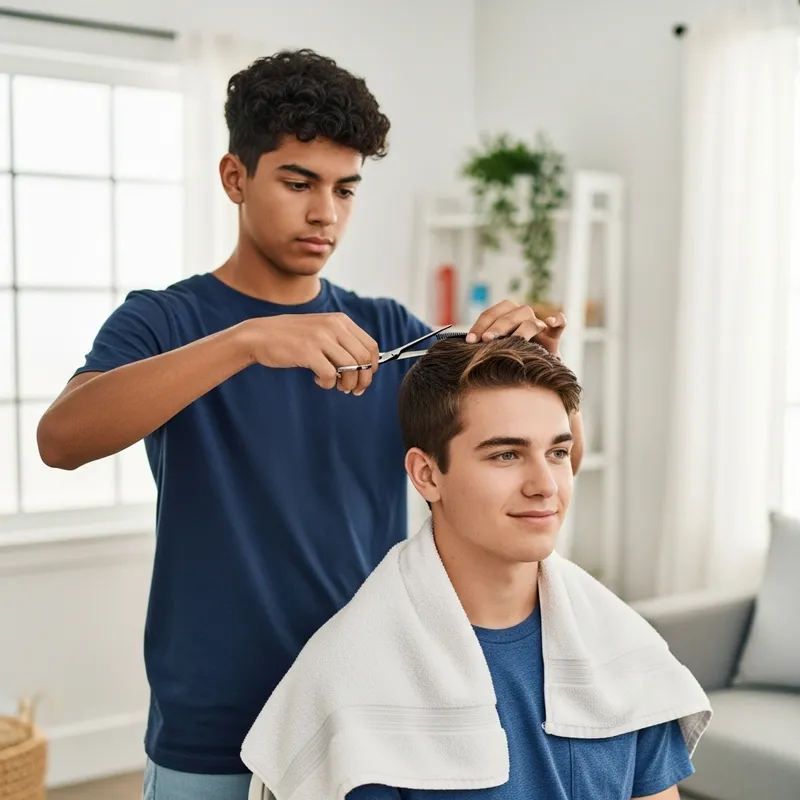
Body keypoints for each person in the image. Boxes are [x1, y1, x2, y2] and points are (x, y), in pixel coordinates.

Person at [36, 50, 583, 799]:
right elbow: (60, 440)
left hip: (365, 707)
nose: (325, 212)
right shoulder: (166, 321)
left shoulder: (391, 331)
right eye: (299, 183)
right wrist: (248, 341)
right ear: (236, 178)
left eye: (345, 189)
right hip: (214, 725)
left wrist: (542, 376)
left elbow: (545, 464)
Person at [242, 336, 710, 800]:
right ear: (427, 475)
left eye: (558, 453)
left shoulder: (621, 648)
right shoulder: (349, 685)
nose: (545, 486)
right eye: (506, 454)